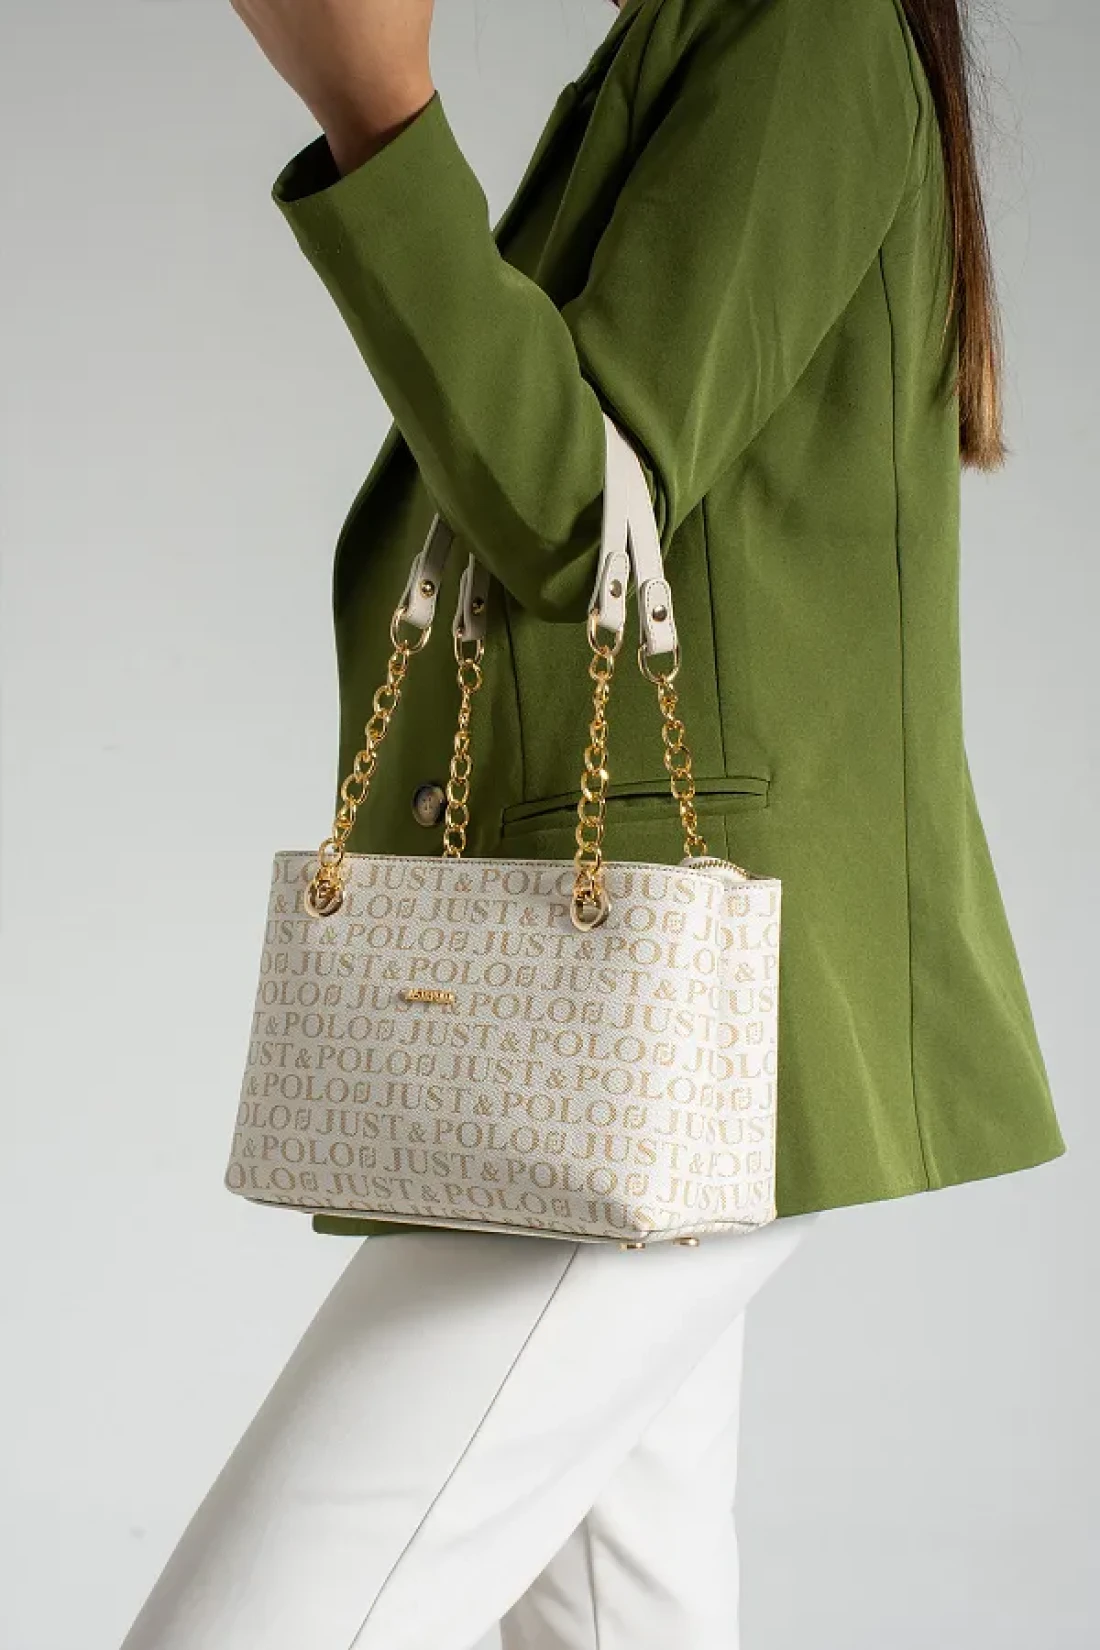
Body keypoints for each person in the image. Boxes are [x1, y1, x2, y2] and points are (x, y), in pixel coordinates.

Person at [119, 0, 1066, 1645]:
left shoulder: (808, 29)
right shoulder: (699, 32)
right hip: (626, 1022)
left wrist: (378, 116)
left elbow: (577, 504)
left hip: (667, 1024)